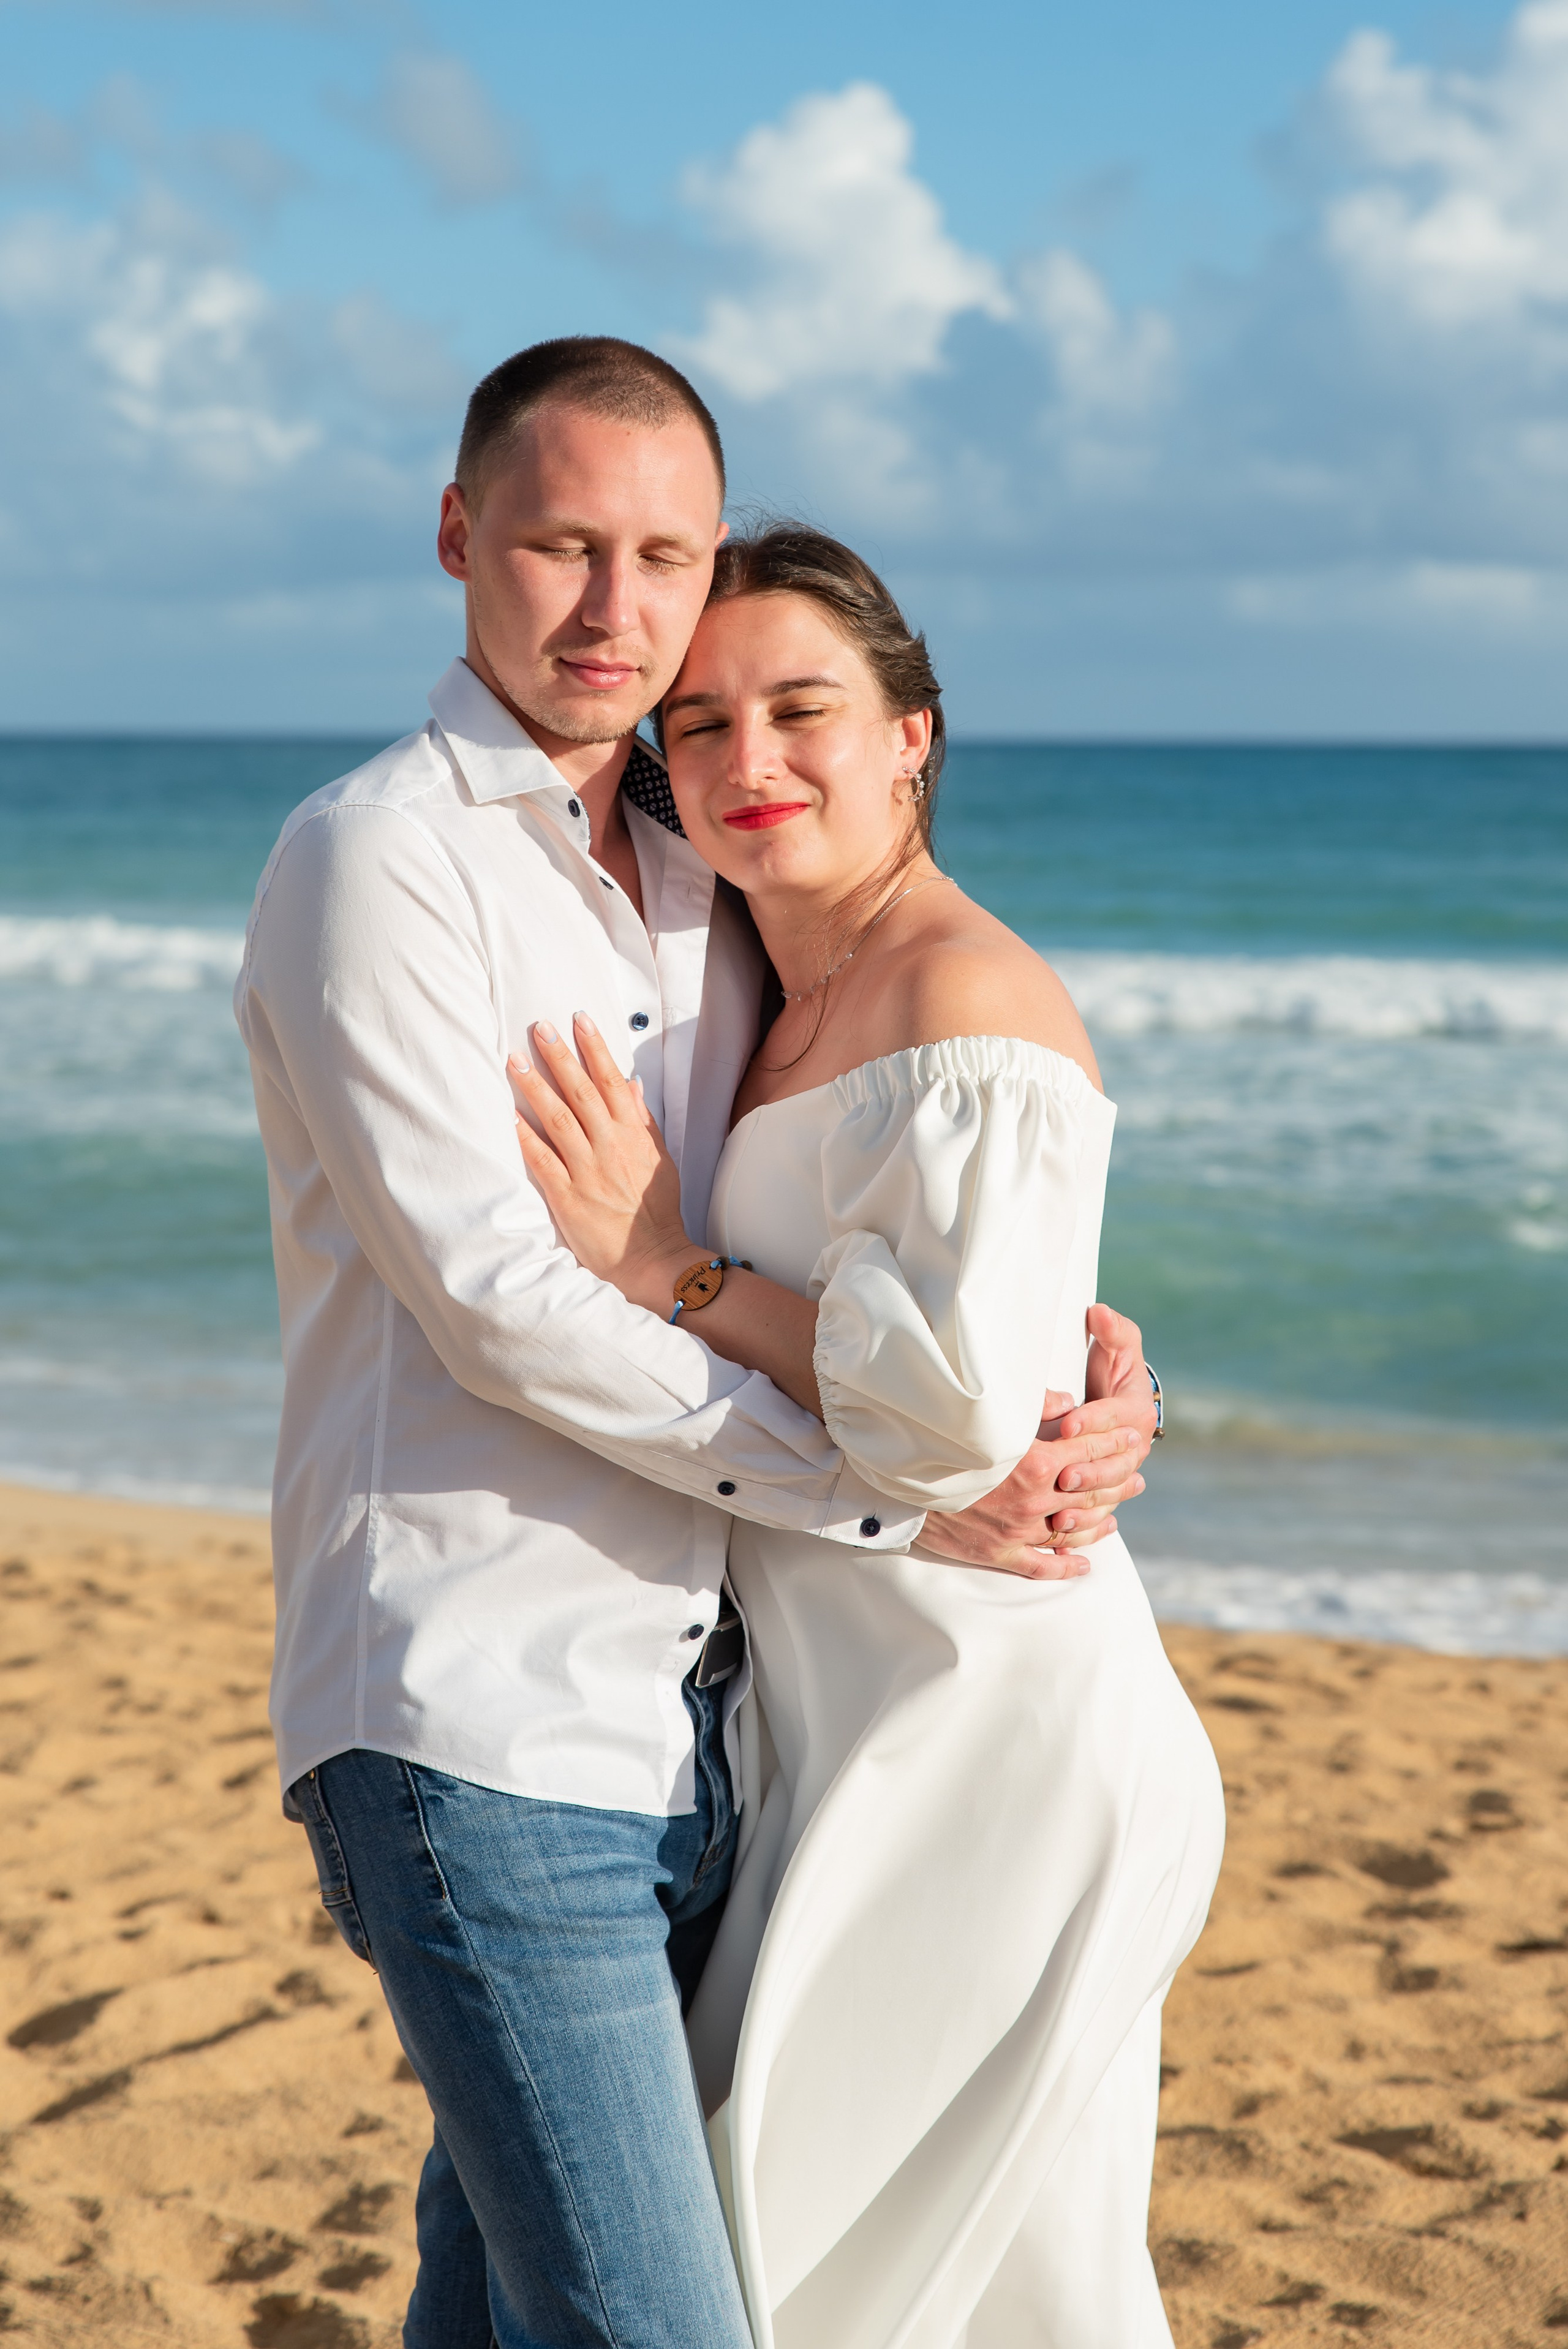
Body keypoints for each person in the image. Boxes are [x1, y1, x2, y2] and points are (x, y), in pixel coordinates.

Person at [235, 337, 1160, 2349]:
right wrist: (909, 1495)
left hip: (715, 1732)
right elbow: (503, 1307)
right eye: (562, 542)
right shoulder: (380, 861)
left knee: (502, 2307)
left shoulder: (700, 864)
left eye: (664, 554)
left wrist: (1080, 1370)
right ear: (461, 533)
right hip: (475, 1716)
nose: (614, 608)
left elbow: (895, 1196)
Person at [512, 522, 1226, 2345]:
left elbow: (954, 1416)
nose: (748, 762)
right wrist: (1094, 1347)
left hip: (995, 1732)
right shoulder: (756, 983)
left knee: (867, 2277)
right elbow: (964, 1312)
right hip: (846, 1722)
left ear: (912, 730)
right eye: (700, 724)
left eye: (804, 709)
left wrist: (671, 1267)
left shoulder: (960, 994)